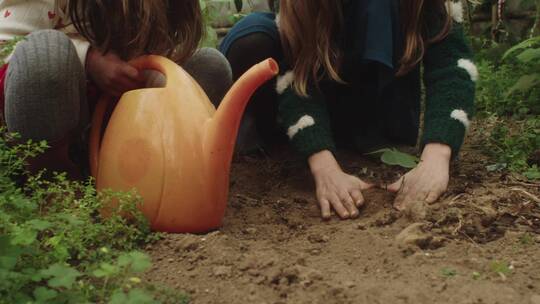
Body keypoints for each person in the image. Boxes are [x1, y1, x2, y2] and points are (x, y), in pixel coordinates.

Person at [220, 0, 477, 219]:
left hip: (383, 103)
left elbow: (451, 65)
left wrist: (436, 156)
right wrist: (323, 166)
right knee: (252, 36)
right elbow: (297, 78)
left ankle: (368, 131)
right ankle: (261, 129)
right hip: (320, 84)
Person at [0, 0, 232, 177]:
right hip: (50, 110)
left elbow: (156, 53)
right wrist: (89, 59)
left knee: (209, 67)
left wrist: (154, 77)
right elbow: (5, 46)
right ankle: (50, 175)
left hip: (115, 115)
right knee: (45, 55)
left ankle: (156, 168)